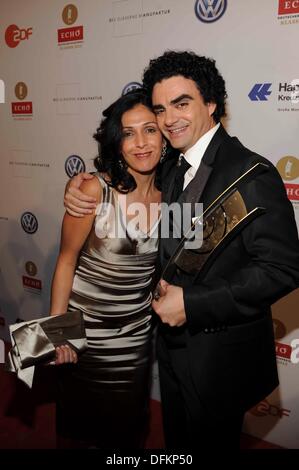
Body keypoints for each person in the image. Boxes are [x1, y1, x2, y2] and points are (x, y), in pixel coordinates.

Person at [64, 51, 299, 450]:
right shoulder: (170, 164)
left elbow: (283, 268)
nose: (169, 118)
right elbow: (120, 183)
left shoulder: (252, 174)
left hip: (219, 358)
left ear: (211, 104)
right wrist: (76, 187)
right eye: (161, 108)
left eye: (182, 103)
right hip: (169, 350)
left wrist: (194, 303)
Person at [50, 88, 164, 448]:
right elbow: (66, 260)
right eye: (128, 133)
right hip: (84, 336)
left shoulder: (176, 192)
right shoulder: (92, 190)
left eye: (150, 129)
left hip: (135, 337)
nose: (141, 143)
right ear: (117, 143)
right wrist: (58, 330)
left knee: (128, 431)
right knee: (79, 430)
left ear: (165, 135)